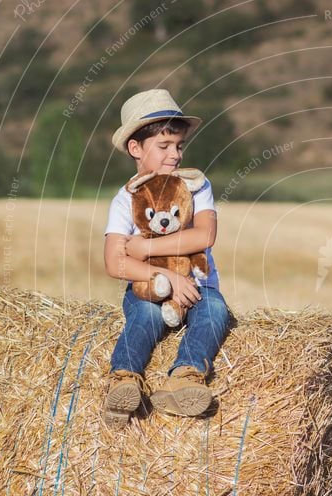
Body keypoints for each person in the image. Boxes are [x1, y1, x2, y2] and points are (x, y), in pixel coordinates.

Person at [101, 88, 230, 428]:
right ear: (135, 148)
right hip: (150, 287)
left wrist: (146, 248)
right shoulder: (125, 199)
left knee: (215, 310)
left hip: (198, 288)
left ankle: (185, 377)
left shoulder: (197, 186)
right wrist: (169, 278)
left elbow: (205, 235)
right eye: (164, 146)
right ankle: (123, 379)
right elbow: (115, 262)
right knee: (144, 315)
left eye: (179, 146)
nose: (174, 154)